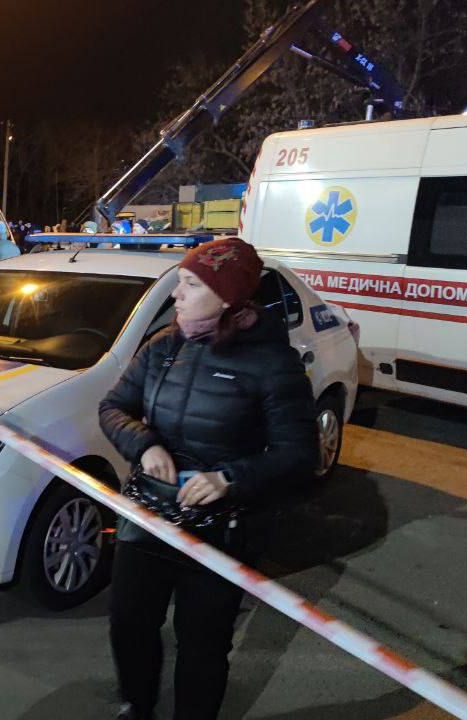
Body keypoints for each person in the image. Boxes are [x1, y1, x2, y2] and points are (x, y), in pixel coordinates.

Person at [98, 236, 317, 720]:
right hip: (150, 516)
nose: (176, 294)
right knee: (129, 625)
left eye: (191, 284)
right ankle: (137, 706)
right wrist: (144, 444)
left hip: (221, 530)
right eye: (179, 282)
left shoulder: (271, 362)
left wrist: (228, 479)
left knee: (202, 645)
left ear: (227, 298)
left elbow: (299, 453)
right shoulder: (163, 346)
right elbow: (113, 407)